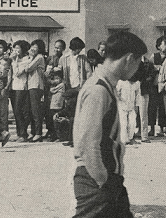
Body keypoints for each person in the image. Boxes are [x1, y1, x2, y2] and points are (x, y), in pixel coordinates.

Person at [72, 31, 147, 217]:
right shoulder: (99, 90)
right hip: (96, 181)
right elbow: (87, 142)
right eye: (138, 62)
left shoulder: (104, 85)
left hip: (107, 179)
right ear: (129, 59)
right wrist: (102, 179)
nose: (137, 68)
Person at [24, 39, 47, 142]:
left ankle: (38, 133)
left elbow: (28, 68)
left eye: (35, 47)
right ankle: (34, 132)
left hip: (36, 85)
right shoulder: (34, 57)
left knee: (35, 110)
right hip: (31, 85)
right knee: (31, 110)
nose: (33, 49)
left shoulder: (39, 57)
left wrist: (30, 57)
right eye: (32, 46)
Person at [11, 40, 32, 142]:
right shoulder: (15, 59)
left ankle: (23, 133)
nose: (15, 50)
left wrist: (14, 61)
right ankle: (19, 132)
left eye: (18, 48)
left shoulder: (26, 59)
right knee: (16, 111)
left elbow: (18, 73)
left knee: (19, 110)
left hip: (22, 87)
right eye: (14, 48)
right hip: (14, 86)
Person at [148, 37, 166, 137]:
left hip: (164, 85)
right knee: (152, 107)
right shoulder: (154, 56)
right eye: (162, 44)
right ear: (159, 46)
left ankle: (162, 128)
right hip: (154, 85)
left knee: (163, 107)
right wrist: (156, 68)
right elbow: (148, 68)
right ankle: (151, 128)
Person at [116, 78, 141, 145]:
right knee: (123, 124)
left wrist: (137, 106)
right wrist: (118, 97)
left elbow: (138, 95)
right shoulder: (121, 82)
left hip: (132, 106)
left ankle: (131, 138)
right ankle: (123, 140)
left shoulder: (137, 83)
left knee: (132, 123)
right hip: (122, 106)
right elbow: (116, 92)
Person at [47, 71, 65, 142]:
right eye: (55, 78)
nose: (56, 80)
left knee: (57, 121)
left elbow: (52, 90)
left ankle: (59, 136)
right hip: (53, 105)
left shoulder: (62, 85)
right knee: (53, 122)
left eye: (58, 78)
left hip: (58, 105)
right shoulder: (56, 85)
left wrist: (51, 83)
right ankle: (54, 135)